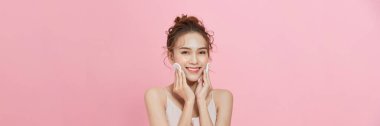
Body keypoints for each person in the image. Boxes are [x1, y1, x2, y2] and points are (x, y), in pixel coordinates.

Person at [145, 14, 233, 126]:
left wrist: (201, 102)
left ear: (208, 56)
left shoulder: (223, 98)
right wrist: (189, 101)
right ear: (171, 56)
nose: (194, 60)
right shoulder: (156, 96)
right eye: (185, 52)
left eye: (201, 52)